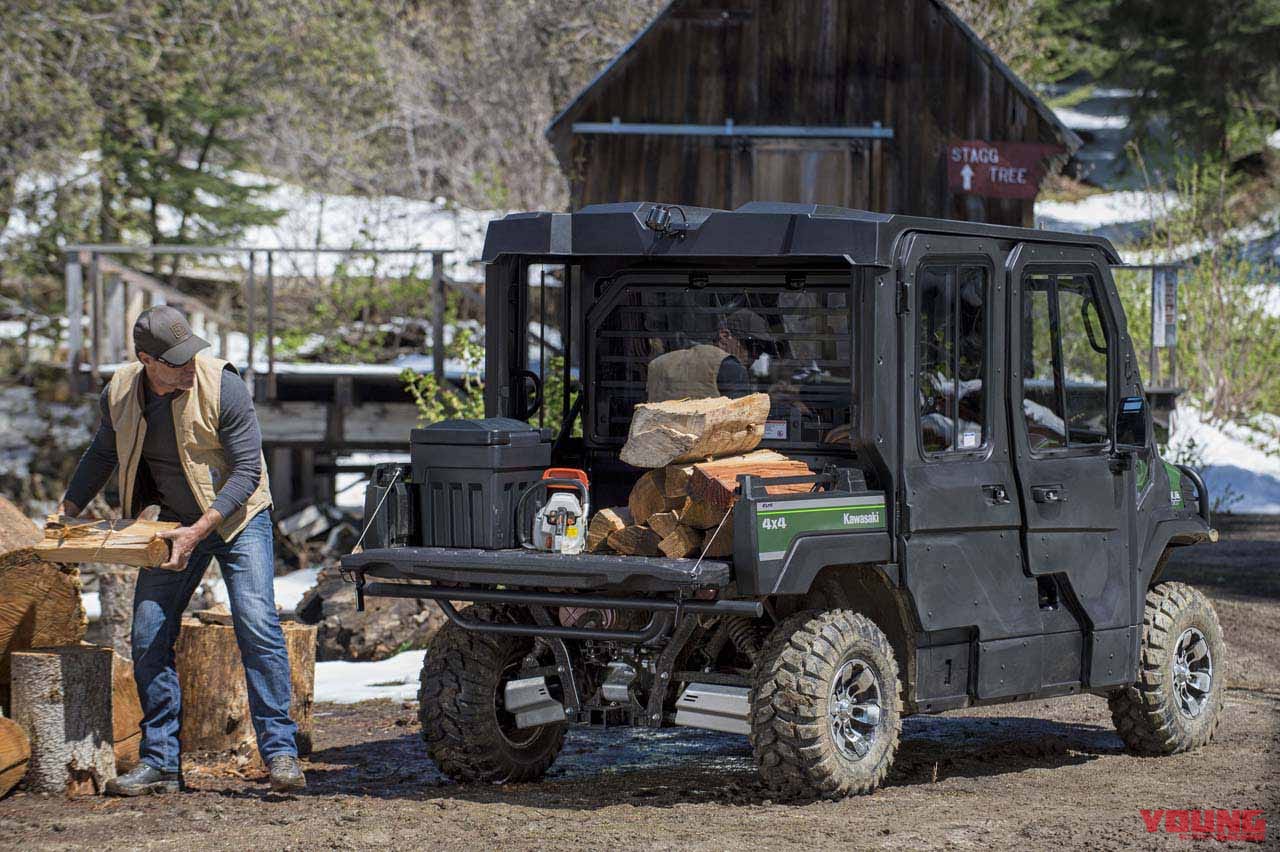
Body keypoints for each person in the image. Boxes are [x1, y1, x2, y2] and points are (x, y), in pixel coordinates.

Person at [58, 305, 305, 795]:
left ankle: (280, 754)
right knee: (148, 633)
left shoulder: (225, 387)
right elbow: (102, 454)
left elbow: (247, 473)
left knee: (256, 623)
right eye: (176, 360)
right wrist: (65, 513)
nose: (190, 366)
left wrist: (201, 531)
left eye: (192, 354)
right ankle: (162, 764)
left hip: (238, 518)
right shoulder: (121, 392)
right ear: (147, 360)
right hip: (172, 525)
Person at [645, 308, 772, 402]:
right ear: (724, 336)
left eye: (760, 350)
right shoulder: (732, 367)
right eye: (752, 345)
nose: (755, 356)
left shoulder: (659, 363)